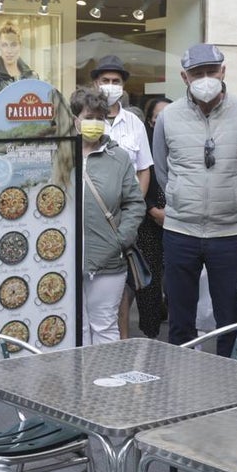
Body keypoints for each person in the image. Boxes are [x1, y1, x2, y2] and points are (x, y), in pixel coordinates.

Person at [152, 44, 237, 356]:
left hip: (228, 234)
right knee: (179, 318)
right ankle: (180, 383)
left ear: (223, 72)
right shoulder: (168, 118)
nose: (205, 78)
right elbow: (163, 171)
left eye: (211, 71)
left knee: (230, 318)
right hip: (180, 233)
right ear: (184, 77)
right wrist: (180, 199)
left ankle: (229, 386)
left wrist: (236, 200)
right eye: (197, 73)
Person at [90, 55, 154, 339]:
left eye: (116, 81)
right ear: (95, 83)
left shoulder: (134, 124)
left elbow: (144, 171)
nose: (110, 86)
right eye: (105, 81)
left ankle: (122, 345)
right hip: (91, 226)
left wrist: (131, 213)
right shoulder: (86, 121)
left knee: (121, 294)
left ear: (124, 86)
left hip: (123, 224)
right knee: (91, 303)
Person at [73, 87, 144, 344]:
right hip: (65, 261)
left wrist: (120, 240)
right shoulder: (60, 156)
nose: (94, 123)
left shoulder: (118, 158)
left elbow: (135, 203)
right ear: (75, 120)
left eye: (99, 117)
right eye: (88, 116)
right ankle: (79, 383)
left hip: (107, 261)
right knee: (75, 327)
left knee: (104, 326)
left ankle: (104, 383)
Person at [134, 96, 171, 338]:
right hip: (148, 222)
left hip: (180, 222)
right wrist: (153, 210)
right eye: (159, 119)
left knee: (178, 280)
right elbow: (136, 179)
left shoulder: (184, 145)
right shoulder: (143, 146)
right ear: (150, 121)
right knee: (149, 283)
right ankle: (150, 334)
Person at [0, 22, 37, 92]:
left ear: (20, 46)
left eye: (13, 45)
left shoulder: (32, 77)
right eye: (4, 45)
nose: (9, 51)